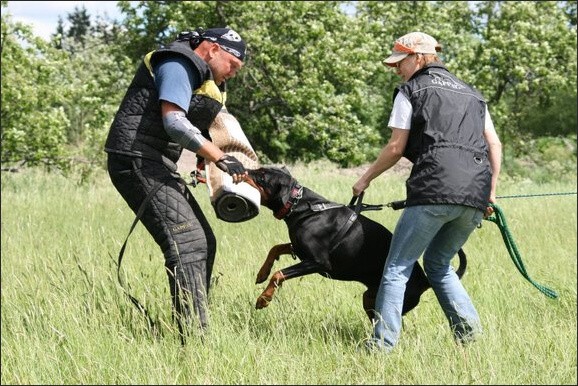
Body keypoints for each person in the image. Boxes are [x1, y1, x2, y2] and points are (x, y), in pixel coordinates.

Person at [352, 31, 502, 353]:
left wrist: (365, 179)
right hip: (474, 195)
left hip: (433, 188)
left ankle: (381, 346)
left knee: (396, 267)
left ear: (419, 57)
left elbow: (395, 148)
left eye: (399, 62)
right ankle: (471, 339)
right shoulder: (473, 94)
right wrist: (490, 192)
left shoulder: (411, 90)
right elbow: (493, 144)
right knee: (437, 264)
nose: (396, 69)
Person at [104, 27, 249, 335]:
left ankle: (194, 325)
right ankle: (192, 335)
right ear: (212, 50)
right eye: (232, 65)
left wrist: (202, 163)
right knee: (188, 244)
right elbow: (174, 121)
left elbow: (200, 126)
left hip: (156, 161)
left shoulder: (204, 79)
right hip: (136, 159)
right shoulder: (177, 63)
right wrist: (219, 158)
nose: (233, 73)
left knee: (203, 242)